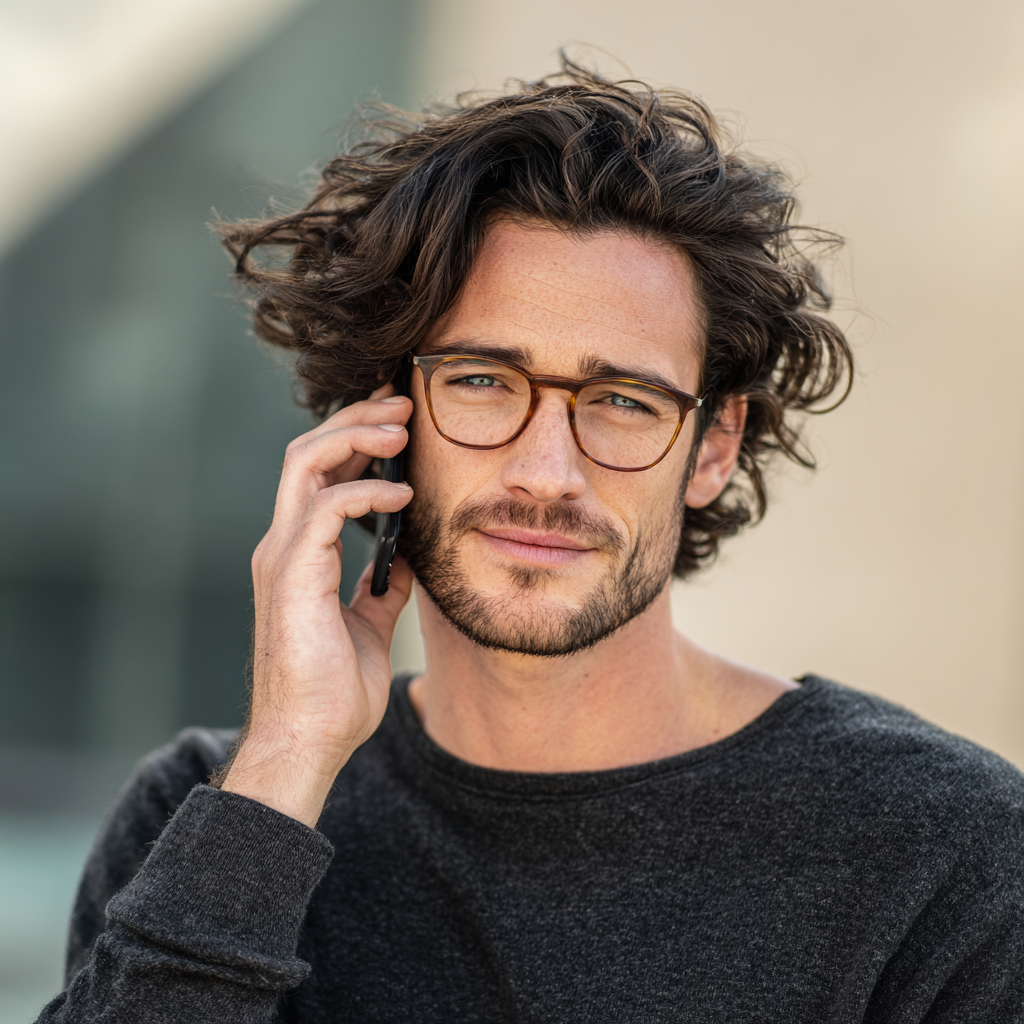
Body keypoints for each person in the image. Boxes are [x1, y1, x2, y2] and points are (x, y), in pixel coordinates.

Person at [40, 60, 1023, 1023]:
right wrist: (288, 758)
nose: (546, 472)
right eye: (481, 380)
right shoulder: (212, 818)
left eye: (622, 400)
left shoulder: (940, 850)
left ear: (712, 445)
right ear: (384, 411)